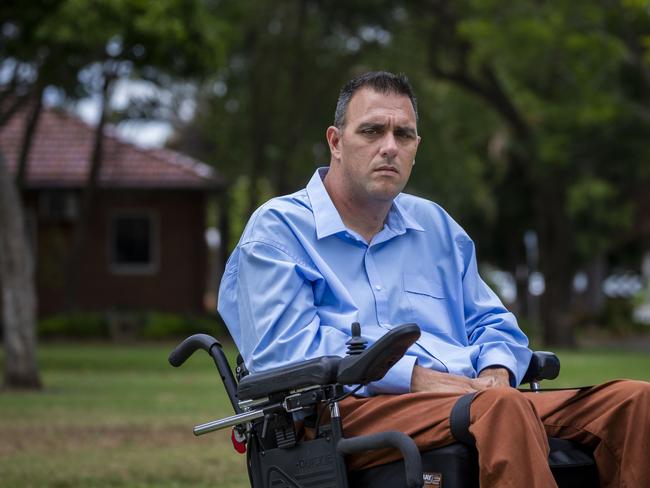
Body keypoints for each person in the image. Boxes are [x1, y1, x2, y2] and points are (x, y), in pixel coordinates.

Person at [218, 71, 649, 487]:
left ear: (416, 146)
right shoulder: (279, 230)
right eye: (371, 132)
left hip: (474, 399)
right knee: (498, 409)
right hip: (341, 414)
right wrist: (418, 378)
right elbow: (284, 356)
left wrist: (498, 371)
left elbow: (494, 324)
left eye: (403, 135)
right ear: (335, 142)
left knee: (633, 403)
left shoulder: (437, 227)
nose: (389, 147)